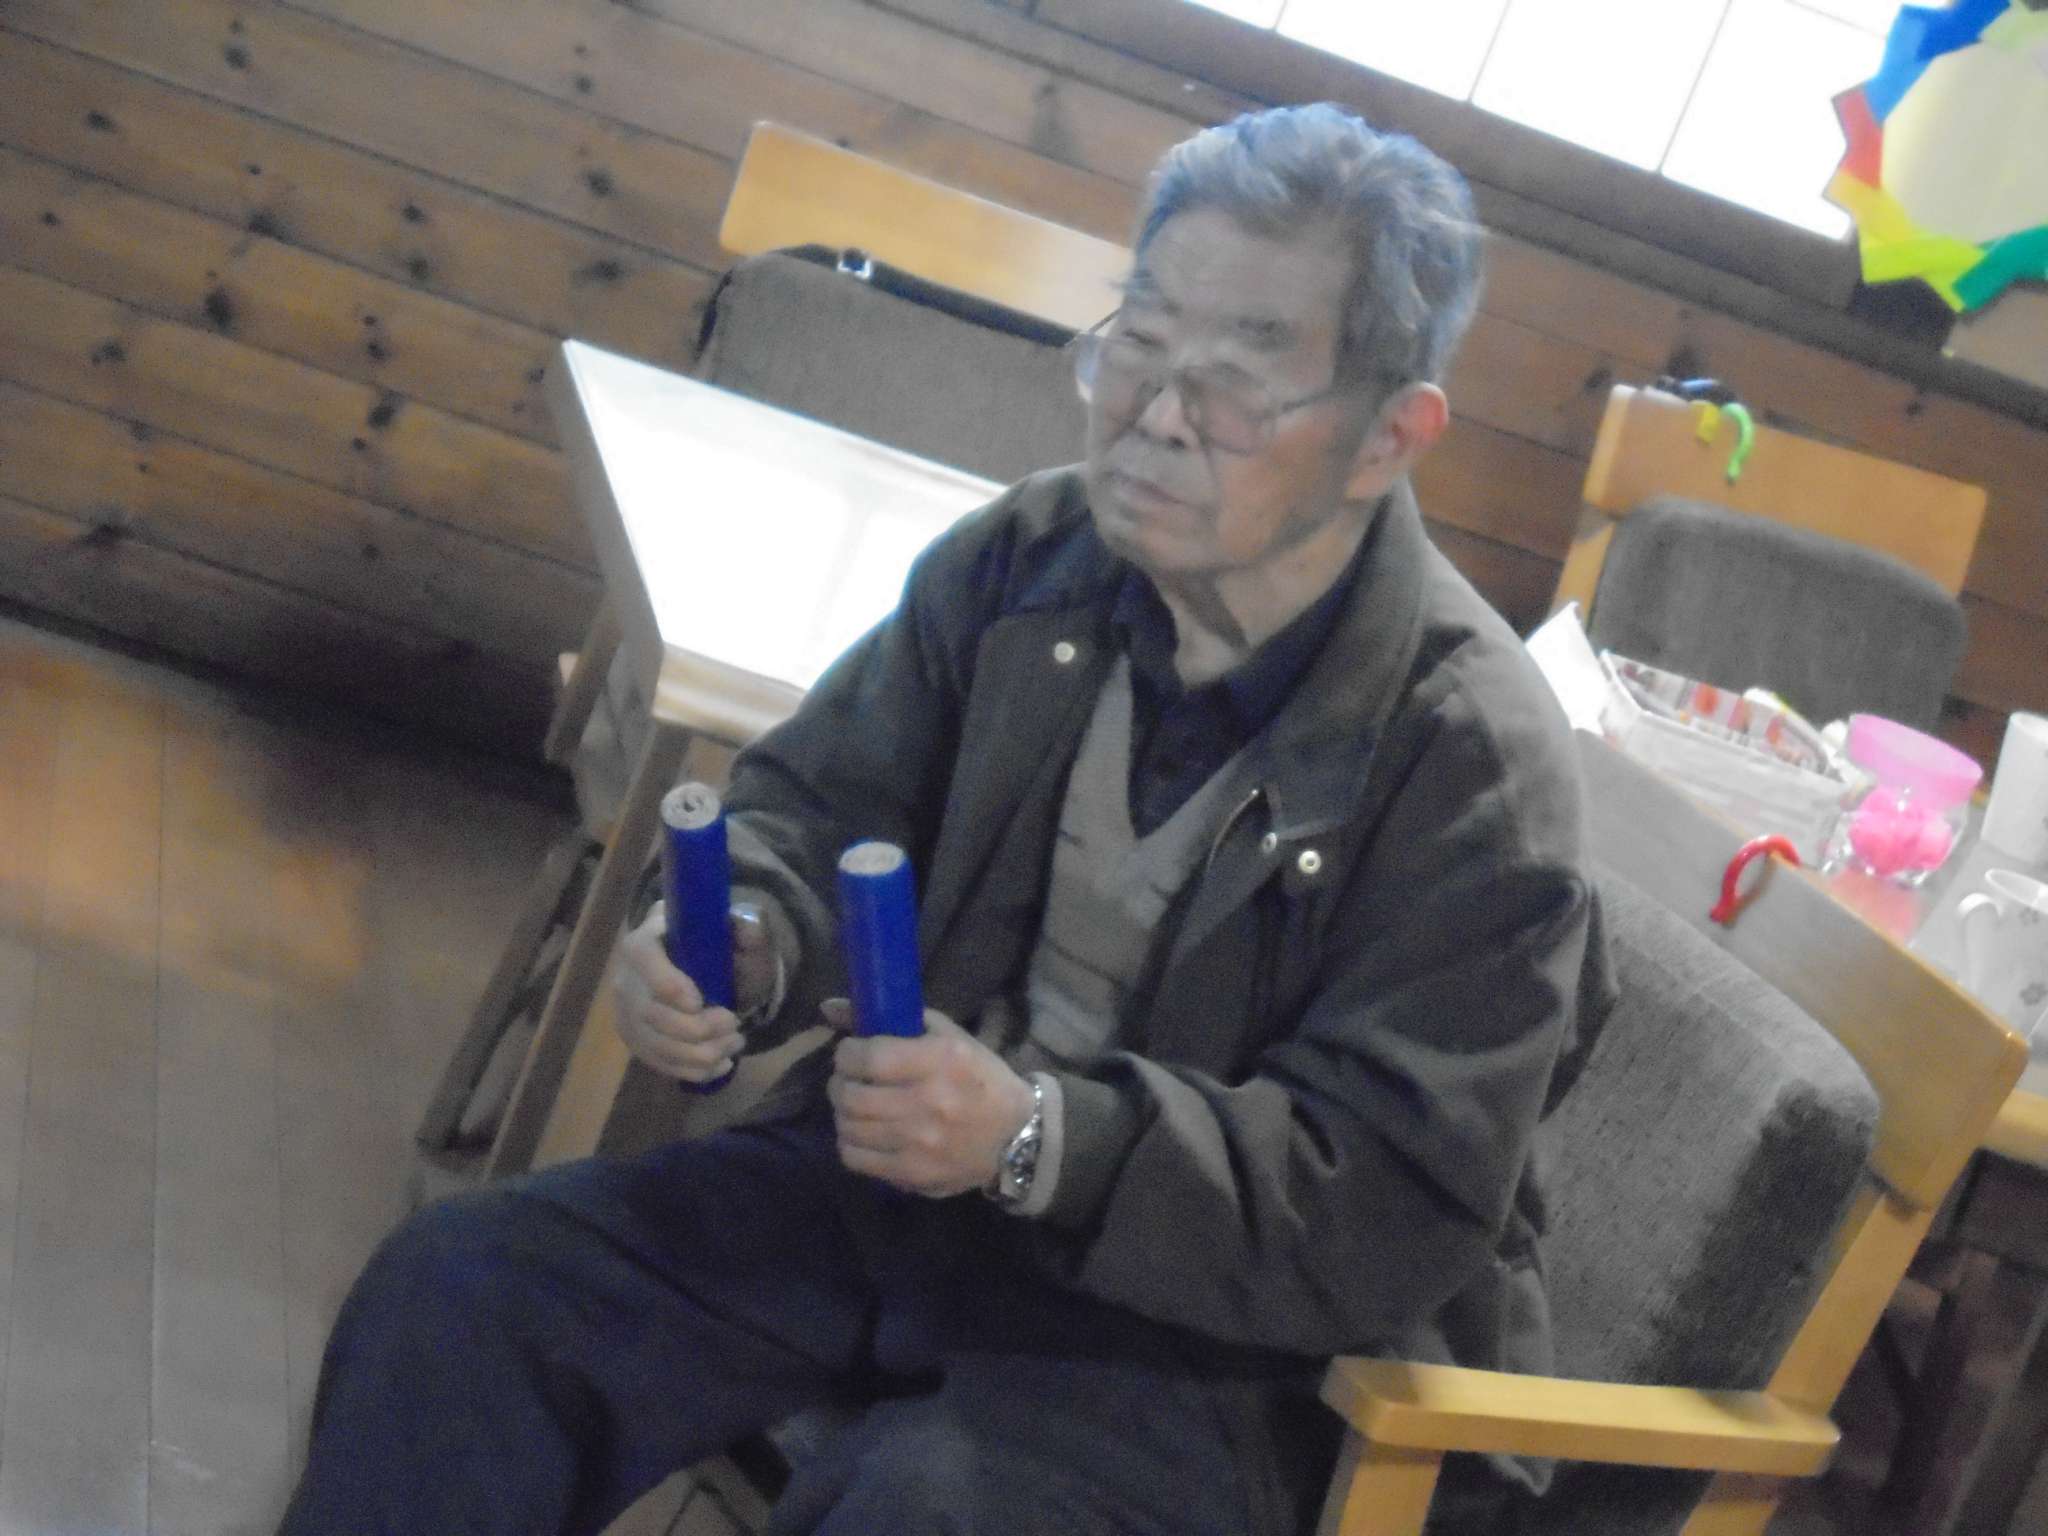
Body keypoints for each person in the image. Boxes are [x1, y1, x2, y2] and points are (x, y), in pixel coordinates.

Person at [278, 102, 1614, 1536]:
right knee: (468, 1296)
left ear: (1387, 438)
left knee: (920, 1513)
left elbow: (1384, 1202)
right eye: (1142, 339)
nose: (1159, 414)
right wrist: (744, 936)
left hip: (1220, 1346)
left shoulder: (1471, 766)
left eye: (1238, 379)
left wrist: (1042, 1136)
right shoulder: (1033, 558)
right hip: (906, 1195)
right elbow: (819, 802)